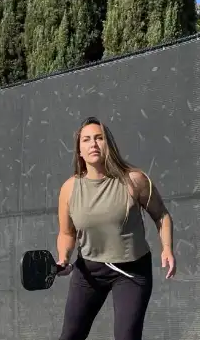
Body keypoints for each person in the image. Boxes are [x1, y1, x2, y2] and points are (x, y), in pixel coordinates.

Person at [54, 117, 175, 340]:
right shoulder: (69, 189)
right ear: (79, 150)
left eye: (99, 138)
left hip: (131, 271)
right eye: (86, 140)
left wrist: (167, 248)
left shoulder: (134, 180)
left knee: (126, 336)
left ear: (108, 144)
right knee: (70, 335)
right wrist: (63, 257)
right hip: (89, 270)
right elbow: (66, 233)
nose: (93, 144)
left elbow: (162, 216)